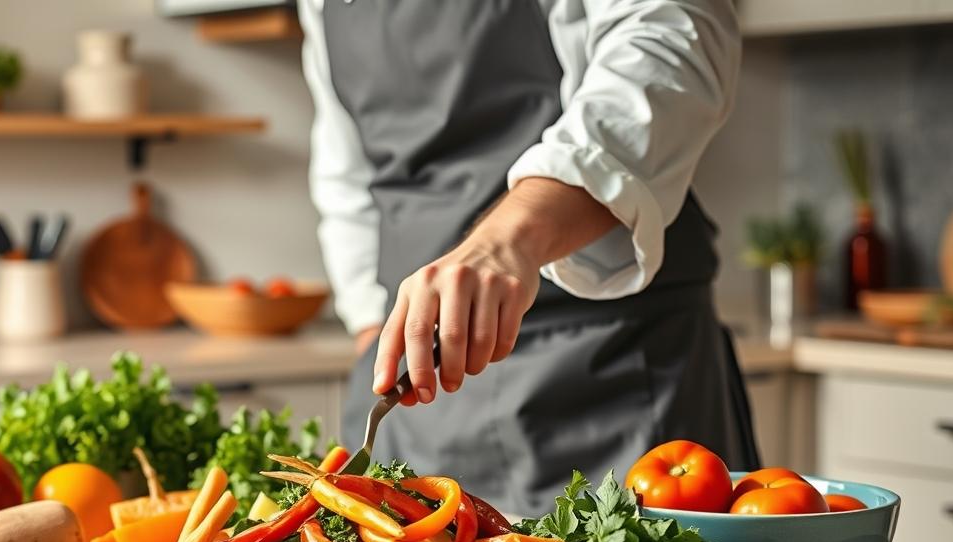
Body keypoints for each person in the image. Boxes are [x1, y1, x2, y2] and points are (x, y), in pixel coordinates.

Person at [298, 0, 759, 515]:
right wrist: (373, 329)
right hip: (420, 403)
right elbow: (347, 172)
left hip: (616, 368)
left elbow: (674, 36)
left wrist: (510, 238)